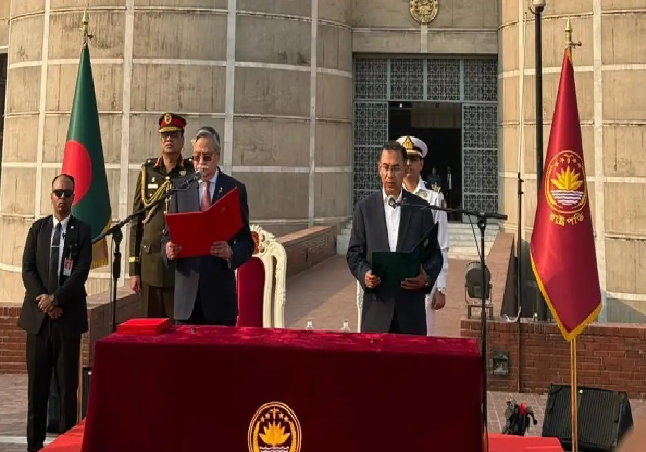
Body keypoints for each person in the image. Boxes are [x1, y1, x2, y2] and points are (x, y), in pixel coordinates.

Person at [18, 174, 92, 452]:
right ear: (51, 196)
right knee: (36, 392)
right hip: (38, 322)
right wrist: (45, 301)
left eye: (67, 194)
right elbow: (28, 269)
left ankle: (66, 446)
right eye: (58, 193)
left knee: (67, 392)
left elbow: (81, 272)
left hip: (67, 322)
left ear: (74, 197)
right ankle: (34, 446)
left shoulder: (82, 231)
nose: (62, 198)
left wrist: (57, 299)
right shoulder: (38, 229)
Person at [346, 140, 444, 336]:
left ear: (405, 170)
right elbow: (354, 253)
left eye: (396, 168)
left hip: (410, 313)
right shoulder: (365, 209)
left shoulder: (420, 208)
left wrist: (426, 278)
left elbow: (435, 256)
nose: (390, 175)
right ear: (379, 169)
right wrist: (364, 274)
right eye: (386, 168)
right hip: (376, 311)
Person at [161, 127, 253, 325]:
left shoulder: (234, 189)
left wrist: (230, 252)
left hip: (219, 300)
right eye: (196, 157)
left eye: (207, 157)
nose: (200, 162)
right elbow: (167, 236)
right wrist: (167, 249)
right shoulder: (180, 188)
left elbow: (247, 243)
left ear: (217, 156)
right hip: (186, 302)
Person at [128, 112, 195, 320]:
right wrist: (134, 270)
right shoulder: (147, 172)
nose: (169, 140)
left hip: (181, 266)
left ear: (182, 140)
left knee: (179, 326)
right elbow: (136, 222)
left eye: (174, 135)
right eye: (165, 135)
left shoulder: (191, 172)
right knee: (150, 327)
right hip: (150, 266)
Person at [398, 136, 449, 336]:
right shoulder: (391, 196)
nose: (408, 164)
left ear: (421, 163)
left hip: (423, 276)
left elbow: (441, 244)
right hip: (396, 276)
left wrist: (441, 287)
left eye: (413, 159)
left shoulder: (434, 198)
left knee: (423, 336)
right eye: (405, 159)